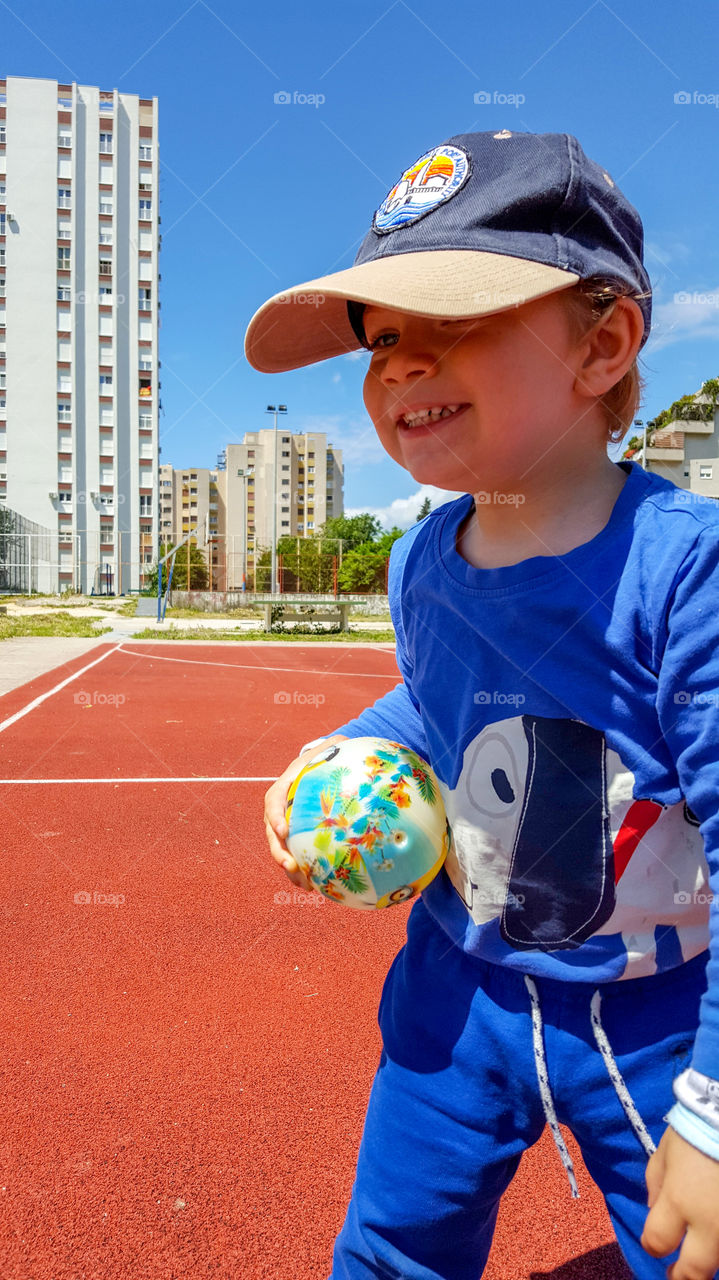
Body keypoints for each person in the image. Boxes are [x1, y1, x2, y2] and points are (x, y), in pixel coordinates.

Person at [246, 131, 719, 1280]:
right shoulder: (421, 561)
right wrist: (351, 747)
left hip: (652, 1013)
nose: (399, 365)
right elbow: (434, 700)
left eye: (449, 322)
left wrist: (708, 1112)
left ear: (601, 342)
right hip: (456, 989)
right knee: (390, 1243)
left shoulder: (680, 571)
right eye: (381, 338)